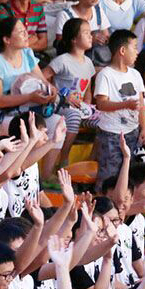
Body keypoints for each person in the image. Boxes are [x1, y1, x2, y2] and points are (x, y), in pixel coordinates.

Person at [0, 18, 57, 133]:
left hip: (25, 111)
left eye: (26, 30)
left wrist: (51, 90)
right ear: (7, 39)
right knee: (32, 129)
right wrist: (30, 97)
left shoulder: (27, 54)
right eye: (21, 32)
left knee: (57, 123)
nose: (26, 35)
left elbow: (42, 80)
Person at [44, 18, 97, 175]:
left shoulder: (88, 62)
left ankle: (91, 163)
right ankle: (63, 160)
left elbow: (87, 90)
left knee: (106, 121)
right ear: (74, 39)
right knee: (73, 116)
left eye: (90, 33)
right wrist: (61, 96)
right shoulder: (62, 61)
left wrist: (87, 105)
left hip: (80, 107)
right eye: (86, 33)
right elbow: (42, 78)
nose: (90, 36)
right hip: (61, 106)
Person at [93, 29, 145, 188]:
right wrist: (125, 104)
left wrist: (144, 128)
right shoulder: (106, 75)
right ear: (122, 50)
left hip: (133, 131)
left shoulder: (135, 74)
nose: (137, 51)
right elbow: (101, 104)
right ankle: (103, 206)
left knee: (129, 174)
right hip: (111, 133)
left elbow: (141, 104)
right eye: (134, 47)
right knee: (109, 174)